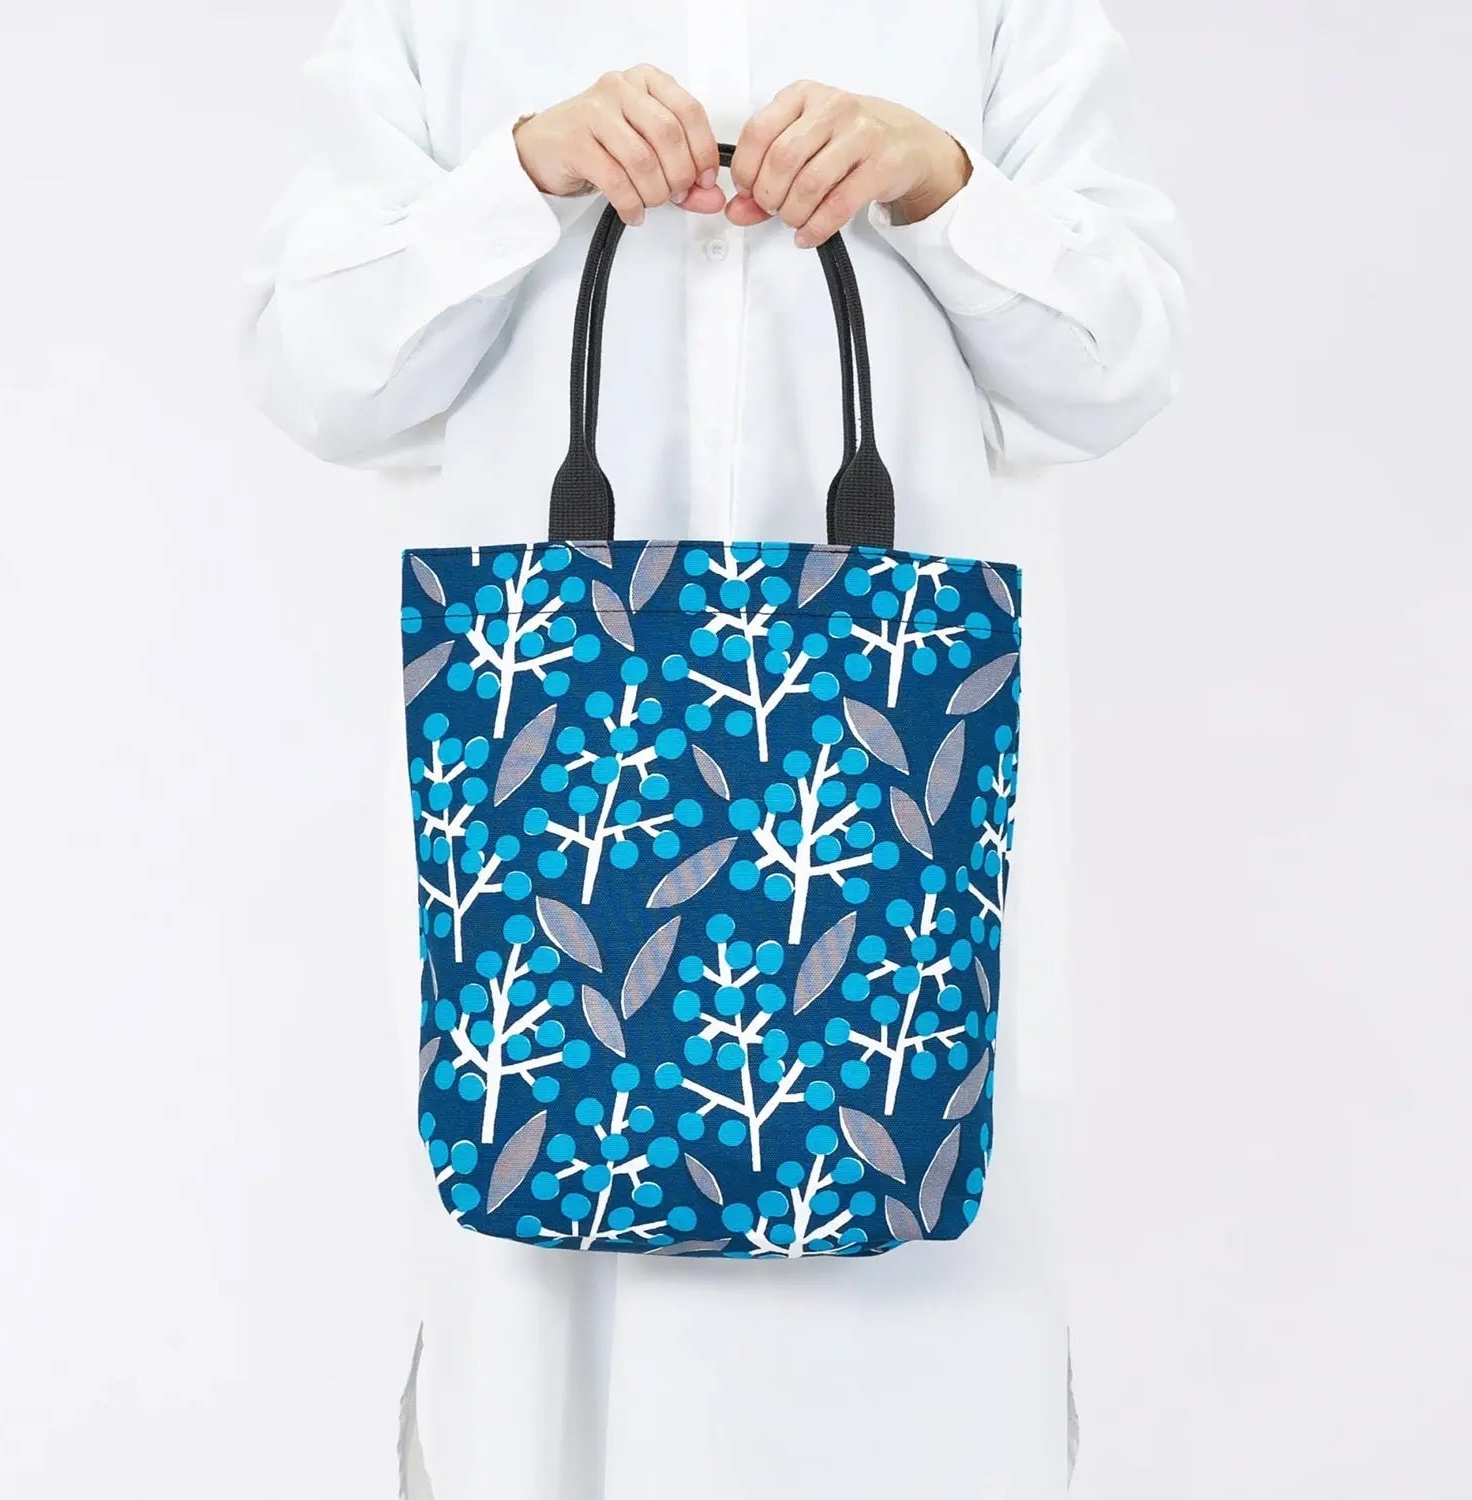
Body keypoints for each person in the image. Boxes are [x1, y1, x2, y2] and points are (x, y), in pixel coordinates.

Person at [241, 4, 1189, 1497]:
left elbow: (1124, 361)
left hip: (892, 936)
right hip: (548, 931)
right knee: (541, 1428)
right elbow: (313, 366)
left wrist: (942, 183)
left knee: (918, 1423)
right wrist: (519, 175)